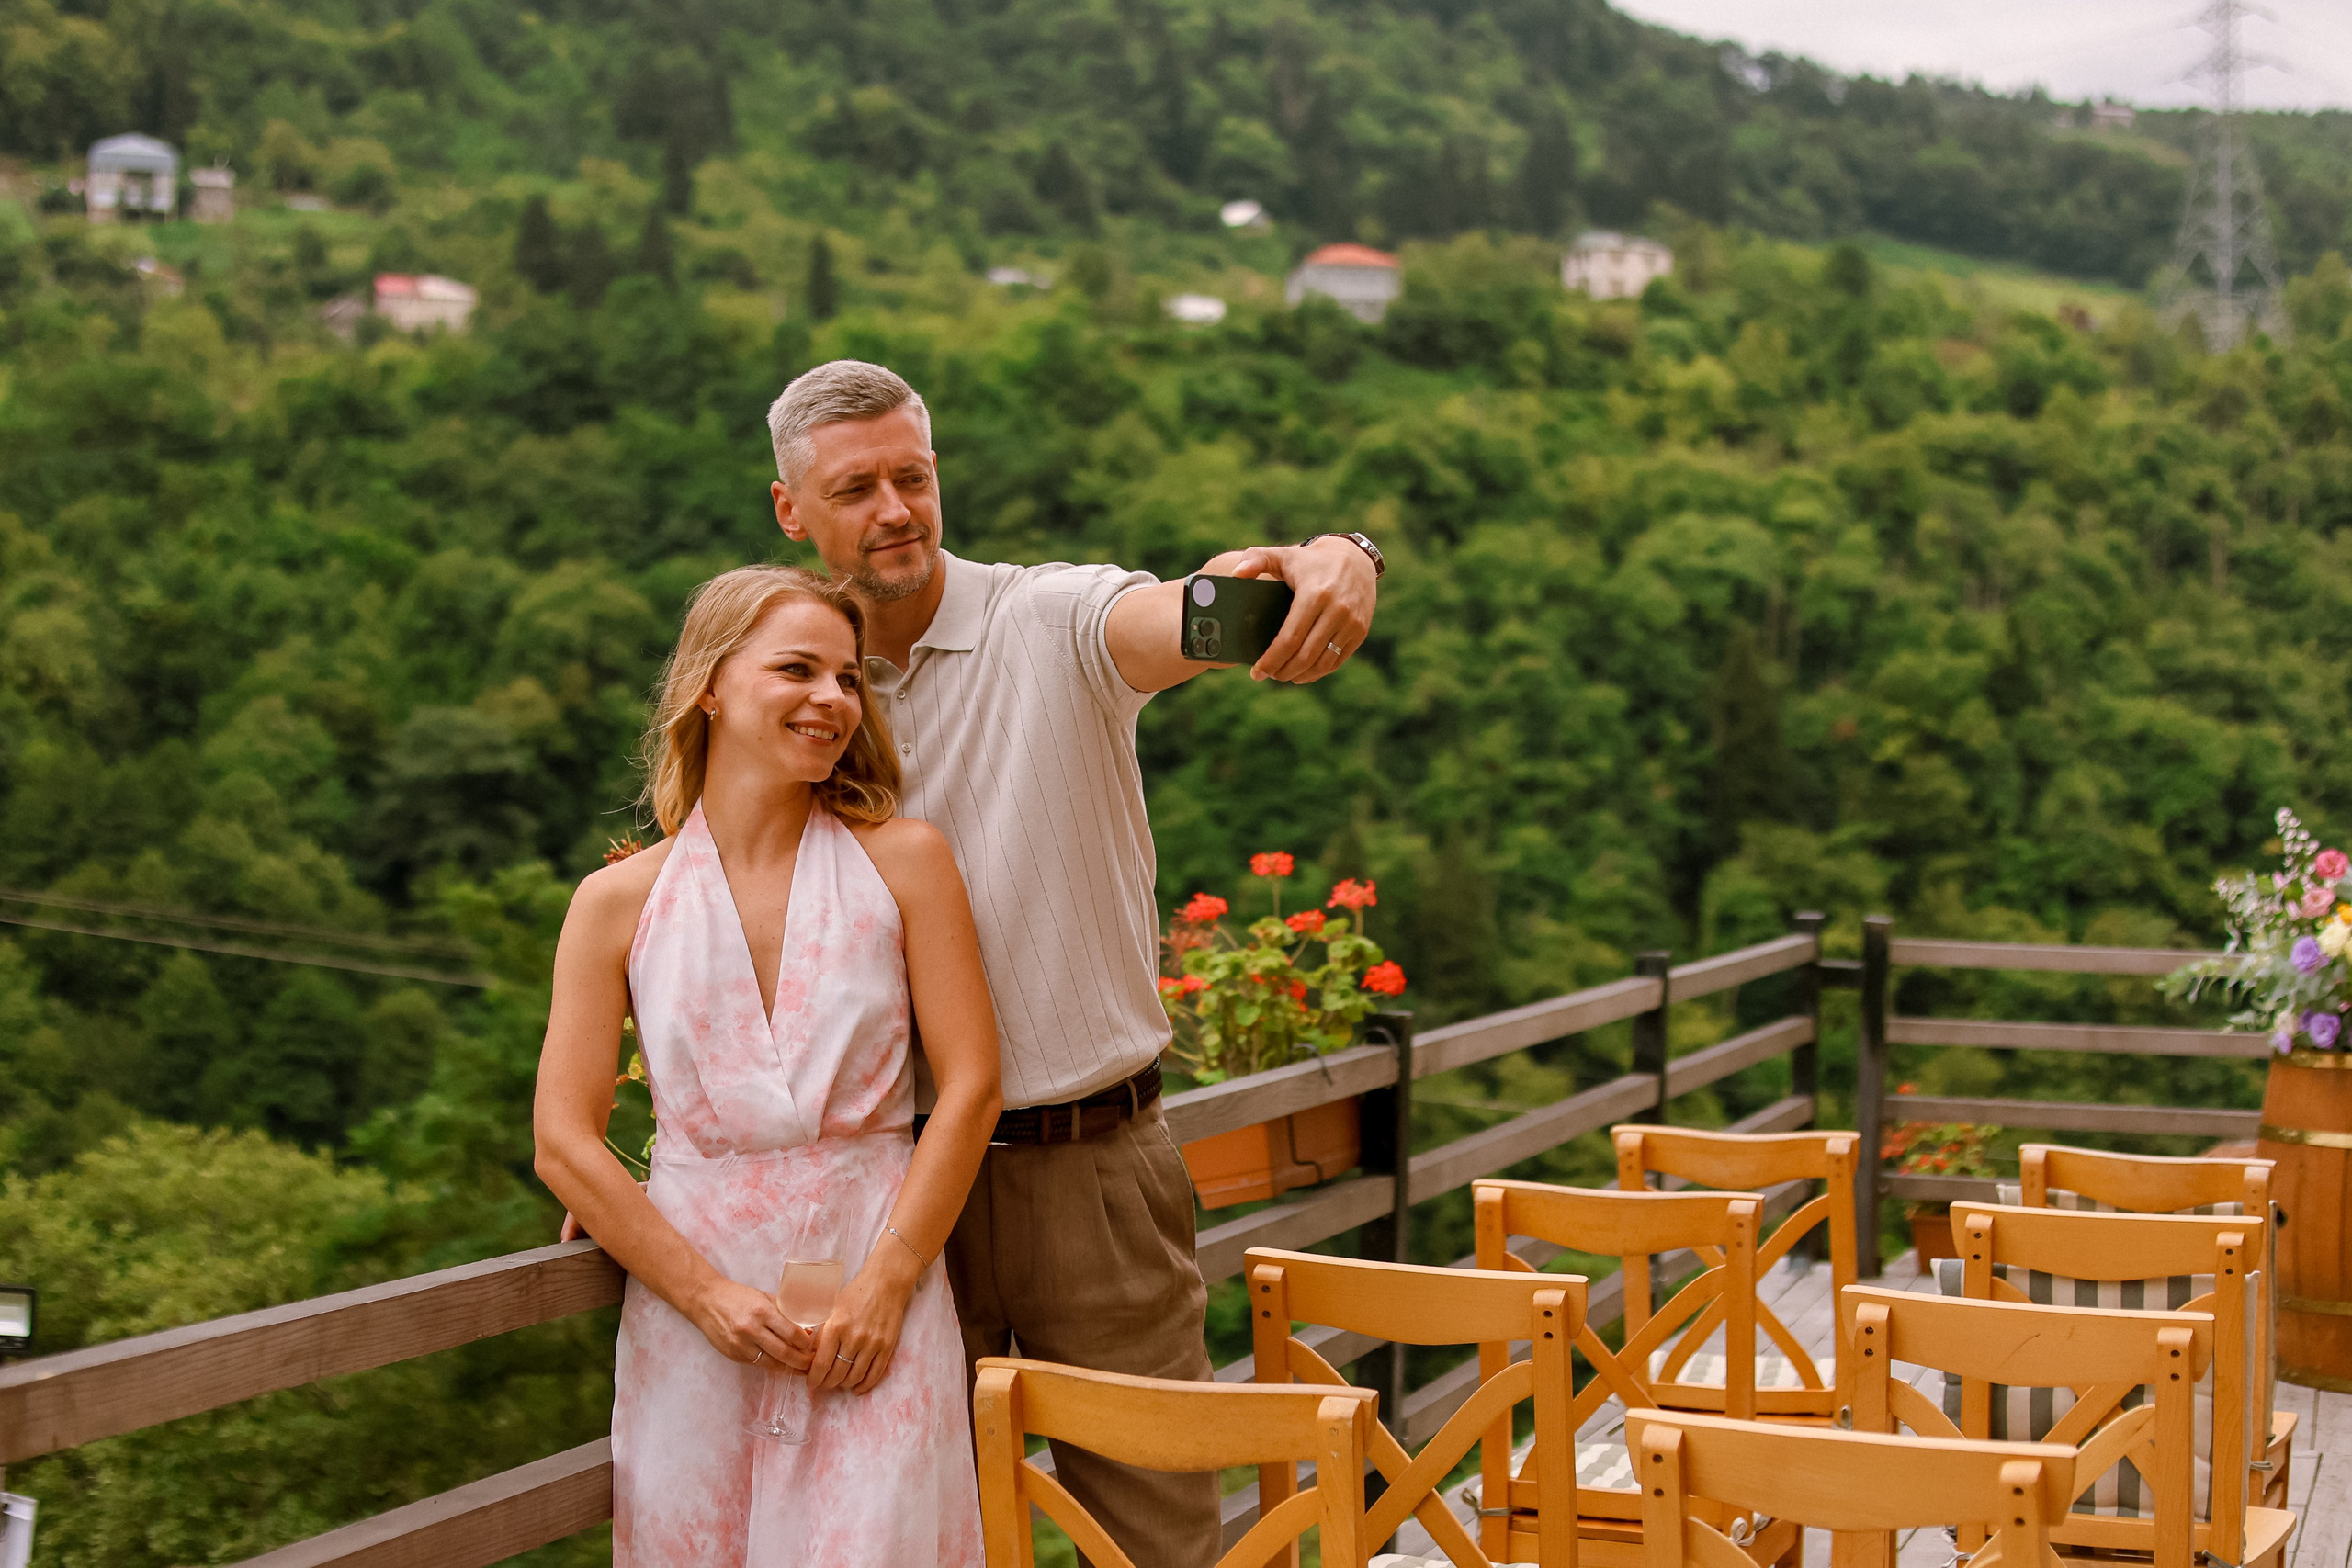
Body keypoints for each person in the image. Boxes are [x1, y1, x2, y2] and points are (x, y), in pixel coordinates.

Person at [765, 359, 1383, 1566]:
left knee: (1157, 1537)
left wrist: (1335, 553)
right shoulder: (797, 693)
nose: (895, 508)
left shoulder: (1046, 619)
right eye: (856, 488)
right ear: (793, 510)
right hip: (889, 1191)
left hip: (1094, 1170)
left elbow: (1195, 610)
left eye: (914, 475)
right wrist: (654, 1154)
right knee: (898, 1535)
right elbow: (710, 916)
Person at [533, 564, 1002, 1566]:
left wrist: (892, 1280)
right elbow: (564, 1141)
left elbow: (970, 1088)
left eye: (847, 679)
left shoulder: (905, 861)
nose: (831, 700)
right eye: (797, 670)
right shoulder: (615, 905)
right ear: (710, 684)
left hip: (879, 1298)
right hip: (693, 1321)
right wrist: (702, 1294)